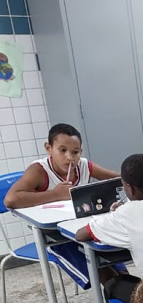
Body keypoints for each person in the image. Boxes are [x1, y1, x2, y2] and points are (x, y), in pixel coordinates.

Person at [4, 122, 120, 288]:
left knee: (112, 255)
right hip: (54, 236)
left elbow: (118, 180)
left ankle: (123, 295)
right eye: (62, 150)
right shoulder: (39, 170)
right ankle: (117, 293)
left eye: (75, 152)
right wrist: (55, 195)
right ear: (48, 148)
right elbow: (11, 199)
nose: (69, 157)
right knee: (103, 272)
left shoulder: (84, 166)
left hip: (82, 226)